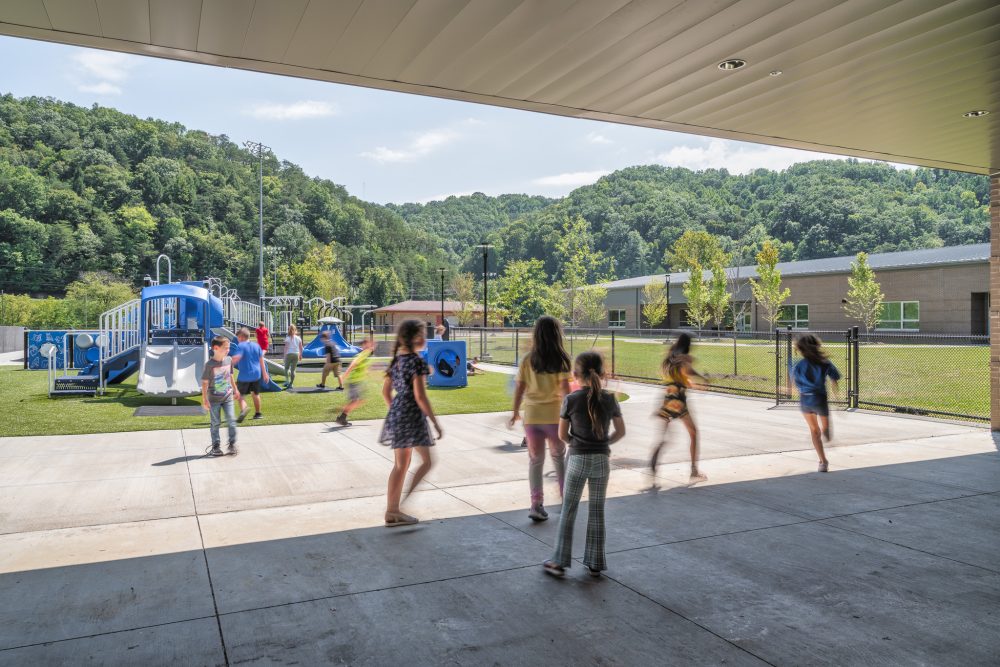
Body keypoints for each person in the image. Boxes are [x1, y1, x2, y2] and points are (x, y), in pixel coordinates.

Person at [543, 351, 624, 578]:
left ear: (575, 374)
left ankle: (559, 561)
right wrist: (604, 442)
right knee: (597, 512)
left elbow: (562, 434)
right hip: (601, 461)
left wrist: (576, 444)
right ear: (602, 373)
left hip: (577, 458)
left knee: (569, 510)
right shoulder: (610, 399)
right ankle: (596, 562)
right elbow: (621, 431)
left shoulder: (571, 399)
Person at [379, 320, 444, 527]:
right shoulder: (416, 361)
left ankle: (392, 510)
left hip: (398, 413)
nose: (425, 338)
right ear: (415, 338)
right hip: (412, 415)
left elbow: (385, 392)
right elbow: (421, 396)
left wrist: (396, 410)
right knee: (427, 461)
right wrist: (435, 423)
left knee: (401, 464)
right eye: (423, 334)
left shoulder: (396, 361)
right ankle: (402, 504)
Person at [509, 316, 571, 522]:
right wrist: (571, 415)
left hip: (533, 418)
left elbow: (520, 388)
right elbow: (565, 391)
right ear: (557, 335)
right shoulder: (562, 360)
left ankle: (536, 505)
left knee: (535, 461)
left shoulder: (528, 359)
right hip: (555, 418)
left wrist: (515, 411)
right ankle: (565, 501)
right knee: (559, 458)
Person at [650, 332, 708, 483]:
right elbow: (688, 371)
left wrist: (696, 385)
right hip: (679, 401)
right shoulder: (684, 358)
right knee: (694, 433)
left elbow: (680, 379)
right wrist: (702, 378)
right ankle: (694, 471)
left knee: (665, 437)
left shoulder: (671, 357)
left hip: (668, 398)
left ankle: (655, 457)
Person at [792, 334, 841, 472]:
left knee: (814, 431)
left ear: (800, 349)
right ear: (817, 346)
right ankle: (827, 433)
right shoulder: (825, 362)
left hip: (805, 399)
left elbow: (794, 383)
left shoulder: (798, 364)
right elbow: (834, 379)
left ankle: (823, 462)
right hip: (820, 398)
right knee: (825, 428)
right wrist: (836, 397)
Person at [201, 335, 242, 456]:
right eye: (226, 347)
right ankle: (216, 446)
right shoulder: (209, 365)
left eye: (228, 347)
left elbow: (230, 375)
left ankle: (232, 444)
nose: (228, 350)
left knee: (231, 420)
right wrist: (205, 400)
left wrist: (236, 390)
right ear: (216, 348)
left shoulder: (228, 360)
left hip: (227, 397)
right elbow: (204, 383)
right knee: (215, 423)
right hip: (214, 399)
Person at [230, 327, 269, 421]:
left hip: (245, 375)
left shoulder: (241, 346)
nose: (238, 340)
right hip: (256, 374)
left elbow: (236, 358)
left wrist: (228, 363)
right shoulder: (256, 346)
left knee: (240, 395)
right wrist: (265, 374)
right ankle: (258, 414)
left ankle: (244, 409)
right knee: (255, 394)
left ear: (241, 337)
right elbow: (261, 361)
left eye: (238, 338)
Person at [335, 336, 374, 426]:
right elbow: (353, 364)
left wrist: (368, 373)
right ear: (364, 345)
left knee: (360, 400)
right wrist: (345, 375)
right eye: (370, 344)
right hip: (354, 381)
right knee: (356, 401)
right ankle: (342, 415)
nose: (372, 345)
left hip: (357, 381)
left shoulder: (366, 355)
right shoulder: (363, 354)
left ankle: (342, 416)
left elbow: (363, 367)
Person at [283, 324, 303, 389]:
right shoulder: (298, 338)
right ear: (295, 330)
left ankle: (287, 381)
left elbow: (286, 348)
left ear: (289, 330)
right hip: (296, 354)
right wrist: (300, 355)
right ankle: (291, 384)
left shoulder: (287, 338)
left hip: (289, 354)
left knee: (286, 368)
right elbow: (301, 348)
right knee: (293, 370)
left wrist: (284, 356)